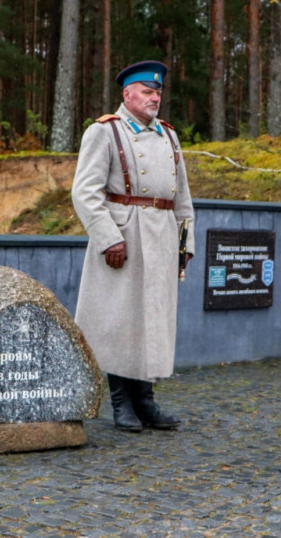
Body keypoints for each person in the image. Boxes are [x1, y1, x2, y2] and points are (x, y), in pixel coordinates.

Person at [71, 60, 194, 433]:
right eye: (147, 92)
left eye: (159, 92)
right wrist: (109, 237)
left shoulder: (168, 135)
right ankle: (121, 403)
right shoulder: (104, 131)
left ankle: (146, 401)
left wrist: (185, 241)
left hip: (162, 235)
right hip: (123, 235)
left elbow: (182, 196)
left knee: (152, 320)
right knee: (120, 320)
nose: (155, 98)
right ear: (128, 94)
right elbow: (85, 192)